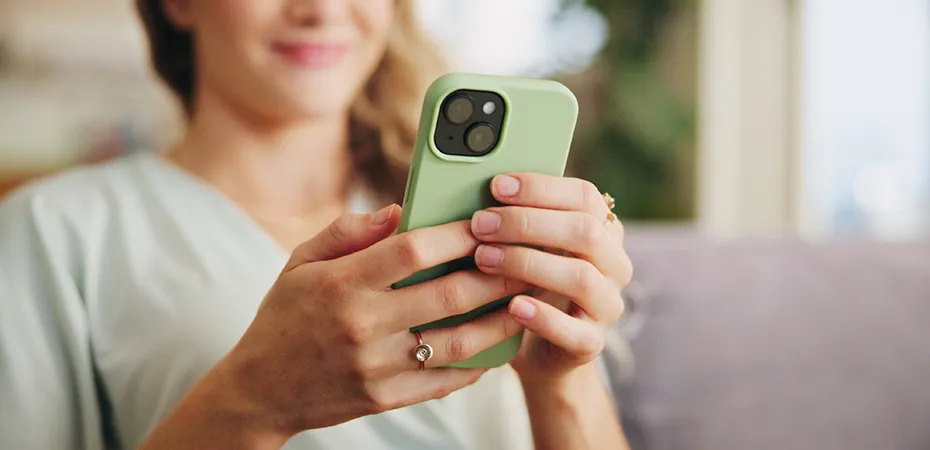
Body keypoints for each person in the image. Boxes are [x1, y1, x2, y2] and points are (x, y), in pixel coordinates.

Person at [0, 1, 634, 449]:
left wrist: (558, 381)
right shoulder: (53, 231)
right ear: (179, 4)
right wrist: (255, 401)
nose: (321, 6)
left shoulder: (484, 224)